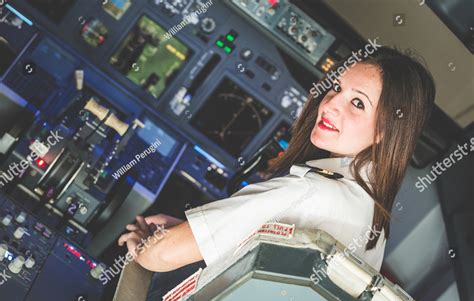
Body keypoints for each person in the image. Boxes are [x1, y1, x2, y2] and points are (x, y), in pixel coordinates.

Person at [118, 46, 435, 278]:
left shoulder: (312, 192)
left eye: (357, 103)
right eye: (337, 88)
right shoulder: (374, 217)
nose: (330, 104)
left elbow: (161, 254)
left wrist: (142, 245)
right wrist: (193, 232)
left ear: (385, 132)